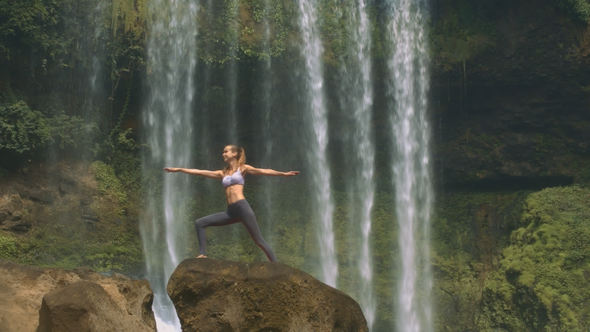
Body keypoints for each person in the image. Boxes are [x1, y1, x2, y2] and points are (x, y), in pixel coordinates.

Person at [164, 145, 299, 262]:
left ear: (234, 153)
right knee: (200, 223)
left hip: (242, 207)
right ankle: (202, 254)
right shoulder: (222, 173)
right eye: (223, 152)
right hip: (231, 212)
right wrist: (179, 169)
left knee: (258, 240)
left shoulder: (243, 169)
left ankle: (276, 265)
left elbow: (264, 171)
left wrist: (283, 174)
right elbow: (200, 172)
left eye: (226, 151)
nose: (223, 154)